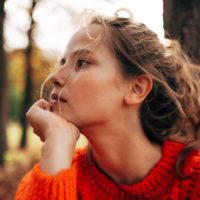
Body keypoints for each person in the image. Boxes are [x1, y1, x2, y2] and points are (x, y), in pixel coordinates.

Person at [15, 10, 200, 200]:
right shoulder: (53, 173)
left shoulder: (194, 180)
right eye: (62, 63)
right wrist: (57, 139)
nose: (55, 77)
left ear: (136, 88)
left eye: (83, 62)